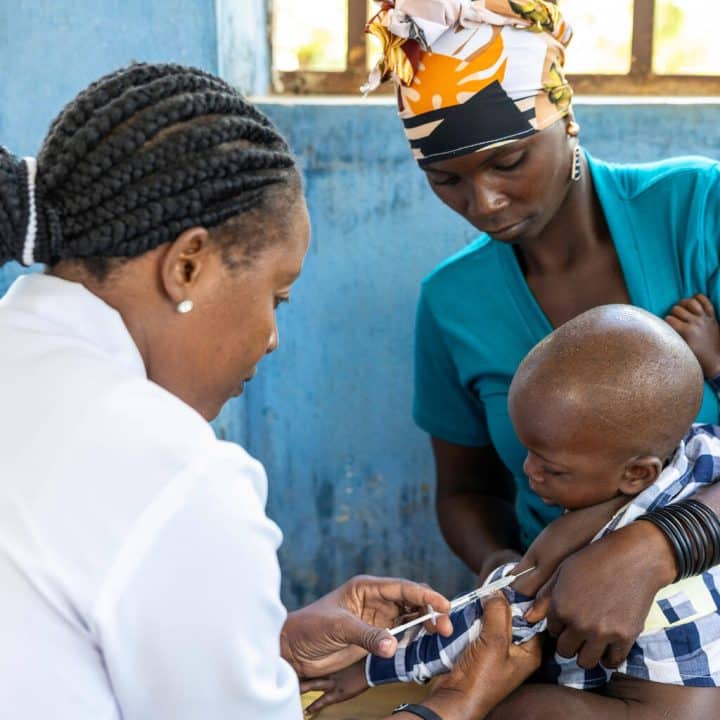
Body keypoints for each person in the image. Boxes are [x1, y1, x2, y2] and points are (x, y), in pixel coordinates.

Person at [0, 63, 540, 719]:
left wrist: (269, 647)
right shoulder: (177, 473)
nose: (271, 338)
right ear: (188, 267)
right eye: (275, 297)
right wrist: (456, 702)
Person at [363, 0, 720, 673]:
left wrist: (660, 545)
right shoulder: (451, 303)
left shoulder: (699, 211)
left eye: (510, 161)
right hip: (568, 623)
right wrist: (503, 567)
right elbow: (466, 490)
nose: (484, 203)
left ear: (564, 113)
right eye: (446, 180)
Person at [303, 305, 720, 718]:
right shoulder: (702, 450)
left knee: (512, 707)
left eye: (550, 466)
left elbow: (489, 625)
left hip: (649, 712)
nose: (528, 471)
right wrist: (715, 365)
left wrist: (370, 667)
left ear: (636, 474)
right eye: (528, 451)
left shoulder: (575, 536)